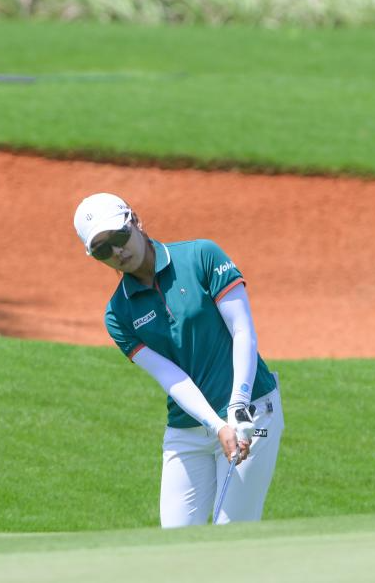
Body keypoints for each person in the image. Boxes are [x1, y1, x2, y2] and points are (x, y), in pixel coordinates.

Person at [73, 192, 284, 528]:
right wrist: (217, 425)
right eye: (102, 249)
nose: (116, 252)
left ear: (135, 221)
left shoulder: (201, 256)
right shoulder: (118, 314)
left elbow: (243, 331)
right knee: (174, 540)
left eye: (119, 236)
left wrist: (237, 407)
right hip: (188, 427)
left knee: (232, 535)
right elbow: (170, 376)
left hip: (252, 412)